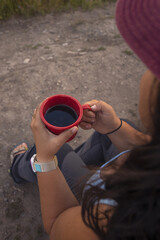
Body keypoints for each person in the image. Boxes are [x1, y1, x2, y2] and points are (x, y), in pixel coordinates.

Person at [9, 0, 160, 239]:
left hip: (90, 202)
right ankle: (73, 167)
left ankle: (18, 168)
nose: (145, 74)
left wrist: (47, 159)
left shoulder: (131, 219)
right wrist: (115, 127)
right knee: (113, 131)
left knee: (53, 152)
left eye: (151, 68)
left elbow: (58, 225)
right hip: (109, 177)